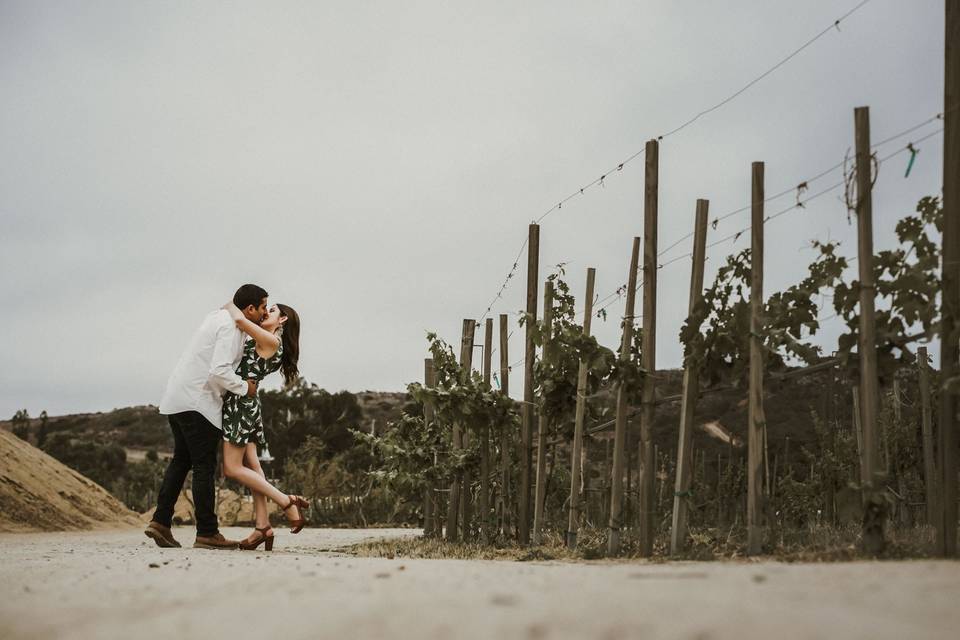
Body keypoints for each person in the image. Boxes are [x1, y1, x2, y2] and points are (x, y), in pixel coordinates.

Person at [145, 284, 268, 550]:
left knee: (181, 461)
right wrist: (245, 387)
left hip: (177, 397)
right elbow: (220, 370)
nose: (263, 313)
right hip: (198, 402)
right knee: (203, 466)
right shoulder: (233, 328)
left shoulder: (217, 317)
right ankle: (207, 533)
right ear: (249, 309)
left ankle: (160, 522)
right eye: (262, 308)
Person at [220, 300, 306, 551]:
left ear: (282, 321)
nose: (265, 313)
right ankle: (262, 527)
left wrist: (230, 304)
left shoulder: (271, 341)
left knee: (232, 468)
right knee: (253, 466)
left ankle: (286, 501)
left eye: (271, 311)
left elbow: (238, 320)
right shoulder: (268, 340)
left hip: (241, 404)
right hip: (246, 402)